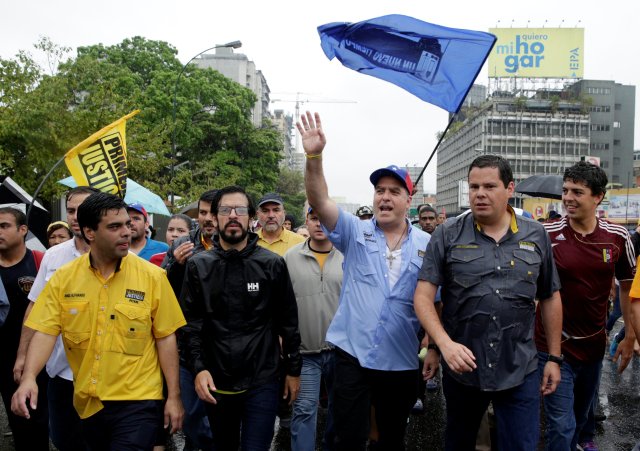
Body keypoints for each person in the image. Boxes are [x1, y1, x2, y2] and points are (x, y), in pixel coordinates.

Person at [298, 111, 434, 450]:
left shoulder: (428, 246)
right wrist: (314, 158)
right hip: (351, 357)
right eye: (379, 191)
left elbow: (436, 299)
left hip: (401, 359)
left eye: (393, 191)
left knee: (391, 440)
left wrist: (432, 346)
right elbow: (319, 201)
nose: (384, 197)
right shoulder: (354, 233)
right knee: (349, 438)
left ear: (409, 200)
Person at [12, 192, 185, 450]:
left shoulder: (153, 277)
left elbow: (166, 337)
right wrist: (29, 378)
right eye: (115, 227)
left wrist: (173, 396)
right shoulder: (64, 278)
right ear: (90, 232)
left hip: (139, 401)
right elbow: (46, 331)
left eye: (127, 224)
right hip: (88, 401)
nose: (126, 232)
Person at [414, 154, 563, 451]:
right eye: (474, 186)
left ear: (510, 188)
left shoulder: (536, 235)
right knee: (459, 443)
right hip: (464, 370)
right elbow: (423, 296)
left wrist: (555, 358)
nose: (479, 193)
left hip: (520, 367)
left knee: (521, 445)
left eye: (489, 186)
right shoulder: (447, 234)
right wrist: (441, 344)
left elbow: (550, 296)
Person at [181, 185, 301, 450]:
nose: (233, 215)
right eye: (225, 210)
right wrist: (198, 368)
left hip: (262, 378)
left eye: (240, 210)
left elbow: (288, 322)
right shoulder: (198, 266)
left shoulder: (271, 264)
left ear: (250, 218)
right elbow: (191, 326)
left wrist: (293, 370)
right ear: (215, 217)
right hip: (216, 379)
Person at [535, 161, 637, 451]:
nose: (568, 198)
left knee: (580, 420)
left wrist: (629, 336)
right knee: (561, 424)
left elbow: (627, 287)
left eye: (577, 192)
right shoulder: (546, 233)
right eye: (565, 190)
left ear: (598, 197)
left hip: (593, 346)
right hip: (552, 347)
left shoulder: (618, 237)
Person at [14, 186, 97, 451]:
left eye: (81, 210)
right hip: (61, 371)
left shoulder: (122, 258)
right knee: (64, 440)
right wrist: (23, 357)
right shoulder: (53, 256)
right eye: (70, 210)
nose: (75, 217)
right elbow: (35, 309)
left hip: (107, 376)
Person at [163, 189, 219, 451]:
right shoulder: (181, 245)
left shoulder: (232, 242)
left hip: (222, 342)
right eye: (203, 212)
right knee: (191, 412)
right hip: (186, 340)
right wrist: (175, 265)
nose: (207, 218)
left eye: (212, 212)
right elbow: (160, 288)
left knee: (218, 411)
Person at [284, 207, 344, 451]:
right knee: (304, 411)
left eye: (324, 218)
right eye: (314, 218)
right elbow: (281, 304)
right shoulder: (289, 257)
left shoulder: (348, 255)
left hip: (342, 352)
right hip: (304, 353)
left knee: (340, 412)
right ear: (306, 222)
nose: (319, 224)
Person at [0, 207, 48, 450]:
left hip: (34, 355)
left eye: (4, 226)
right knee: (14, 418)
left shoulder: (40, 262)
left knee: (33, 418)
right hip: (2, 355)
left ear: (22, 230)